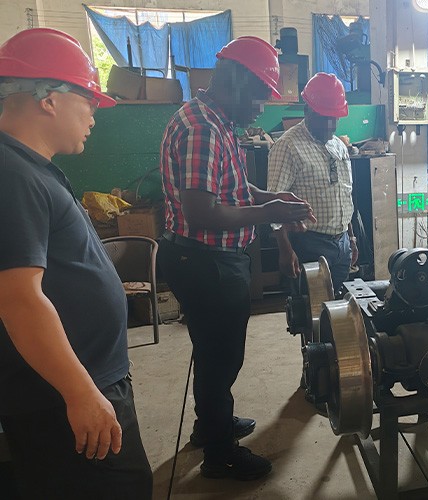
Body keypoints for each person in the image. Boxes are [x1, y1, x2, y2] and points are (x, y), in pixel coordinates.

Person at [0, 28, 152, 497]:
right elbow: (19, 299)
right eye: (88, 100)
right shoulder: (11, 174)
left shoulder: (27, 166)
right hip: (60, 397)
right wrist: (80, 392)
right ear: (49, 99)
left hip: (78, 383)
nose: (93, 114)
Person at [158, 36, 315, 481]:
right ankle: (220, 453)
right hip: (205, 261)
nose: (261, 109)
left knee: (213, 352)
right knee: (221, 356)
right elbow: (202, 211)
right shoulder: (203, 128)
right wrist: (270, 213)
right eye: (259, 96)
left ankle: (210, 426)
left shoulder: (216, 121)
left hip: (205, 259)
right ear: (238, 83)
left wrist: (273, 198)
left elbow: (234, 189)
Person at [267, 72, 357, 293]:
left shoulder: (338, 146)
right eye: (324, 118)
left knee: (341, 308)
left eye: (334, 118)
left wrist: (351, 238)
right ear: (307, 110)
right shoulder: (288, 146)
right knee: (310, 308)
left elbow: (344, 194)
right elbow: (274, 204)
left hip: (342, 243)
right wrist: (285, 250)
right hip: (309, 244)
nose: (330, 125)